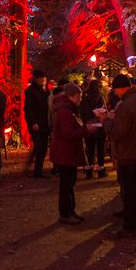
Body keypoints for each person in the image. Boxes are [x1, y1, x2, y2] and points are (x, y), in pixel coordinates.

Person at [97, 74, 136, 238]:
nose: (114, 93)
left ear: (121, 88)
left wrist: (105, 121)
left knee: (129, 192)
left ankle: (129, 228)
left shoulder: (125, 105)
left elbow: (117, 134)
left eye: (115, 89)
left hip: (128, 154)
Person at [50, 83, 93, 225]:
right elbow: (68, 134)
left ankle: (70, 210)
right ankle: (65, 213)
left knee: (69, 183)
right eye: (79, 95)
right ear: (73, 96)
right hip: (65, 153)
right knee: (66, 184)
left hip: (67, 152)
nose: (81, 98)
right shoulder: (65, 112)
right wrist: (86, 129)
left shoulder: (68, 110)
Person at [24, 69, 50, 178]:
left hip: (44, 122)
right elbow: (28, 109)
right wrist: (33, 122)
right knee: (40, 146)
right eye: (41, 78)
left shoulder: (44, 90)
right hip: (37, 123)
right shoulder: (31, 91)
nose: (43, 80)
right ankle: (37, 171)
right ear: (37, 79)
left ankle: (36, 168)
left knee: (41, 147)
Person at [79, 79, 108, 179]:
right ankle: (101, 170)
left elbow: (81, 111)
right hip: (99, 126)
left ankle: (89, 171)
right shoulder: (100, 97)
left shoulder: (84, 97)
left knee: (90, 149)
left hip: (88, 126)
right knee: (100, 149)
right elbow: (103, 110)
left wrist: (86, 121)